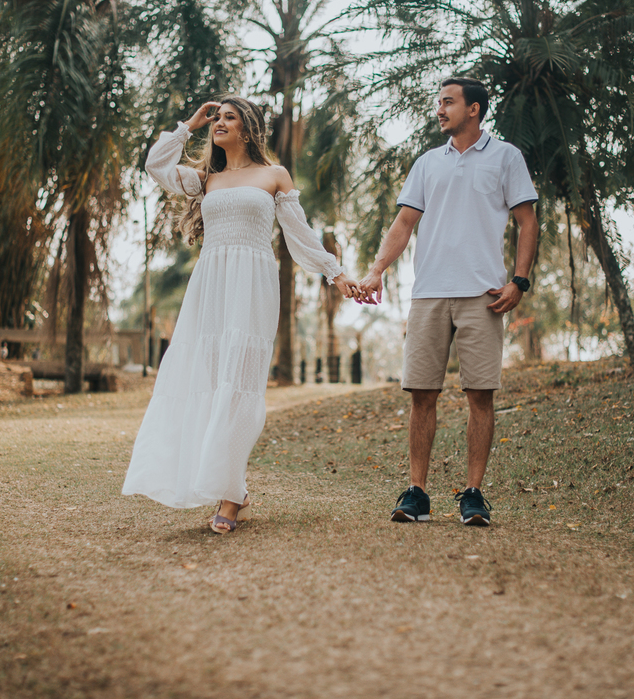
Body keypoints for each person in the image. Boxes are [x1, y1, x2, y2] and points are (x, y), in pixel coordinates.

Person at [122, 96, 360, 533]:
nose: (219, 123)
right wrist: (189, 125)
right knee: (214, 384)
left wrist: (336, 272)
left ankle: (230, 498)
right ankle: (235, 488)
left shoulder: (274, 175)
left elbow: (300, 234)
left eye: (228, 118)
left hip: (253, 283)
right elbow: (155, 165)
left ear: (248, 129)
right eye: (217, 117)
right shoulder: (205, 179)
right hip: (211, 285)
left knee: (240, 387)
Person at [357, 77, 538, 526]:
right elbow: (403, 223)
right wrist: (377, 270)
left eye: (448, 102)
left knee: (480, 395)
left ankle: (473, 494)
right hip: (429, 293)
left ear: (473, 109)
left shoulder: (506, 157)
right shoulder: (427, 163)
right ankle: (417, 493)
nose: (440, 109)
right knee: (422, 394)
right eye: (439, 102)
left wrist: (519, 281)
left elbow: (527, 221)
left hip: (484, 295)